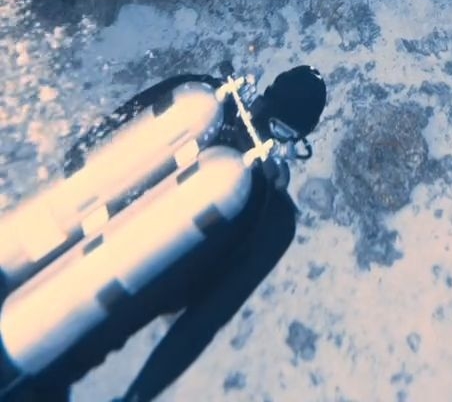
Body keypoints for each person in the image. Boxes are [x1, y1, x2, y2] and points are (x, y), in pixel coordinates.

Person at [0, 65, 326, 402]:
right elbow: (200, 325)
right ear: (298, 138)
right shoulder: (274, 220)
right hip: (58, 351)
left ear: (264, 95)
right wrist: (138, 395)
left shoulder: (198, 98)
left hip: (19, 258)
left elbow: (84, 151)